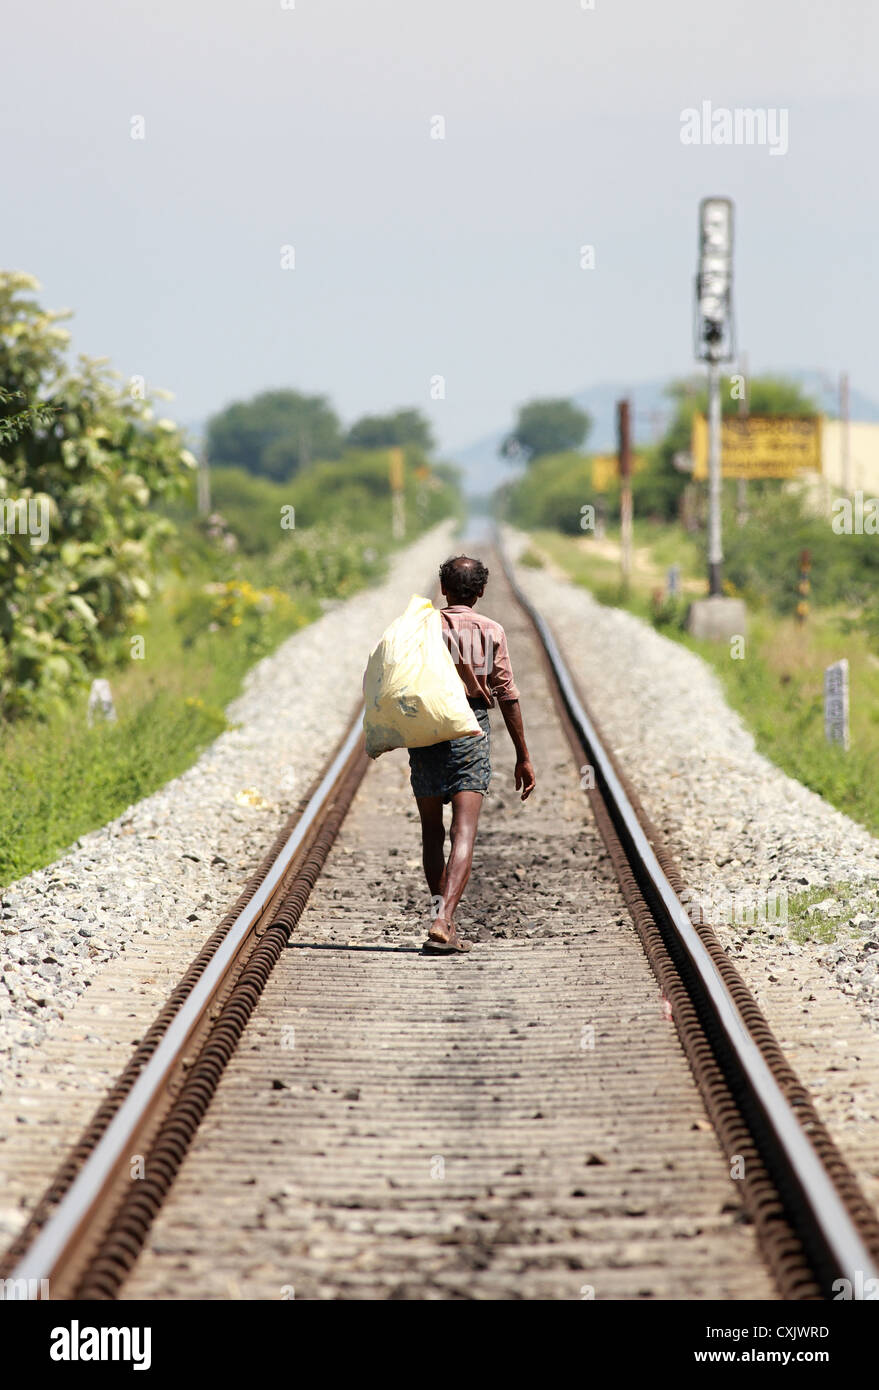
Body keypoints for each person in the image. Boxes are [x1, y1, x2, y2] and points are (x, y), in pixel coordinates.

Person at [408, 555, 536, 954]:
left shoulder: (423, 626)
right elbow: (508, 695)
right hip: (469, 727)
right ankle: (444, 919)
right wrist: (523, 755)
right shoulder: (492, 630)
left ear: (443, 588)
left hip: (427, 728)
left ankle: (440, 914)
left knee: (432, 832)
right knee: (463, 831)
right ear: (480, 592)